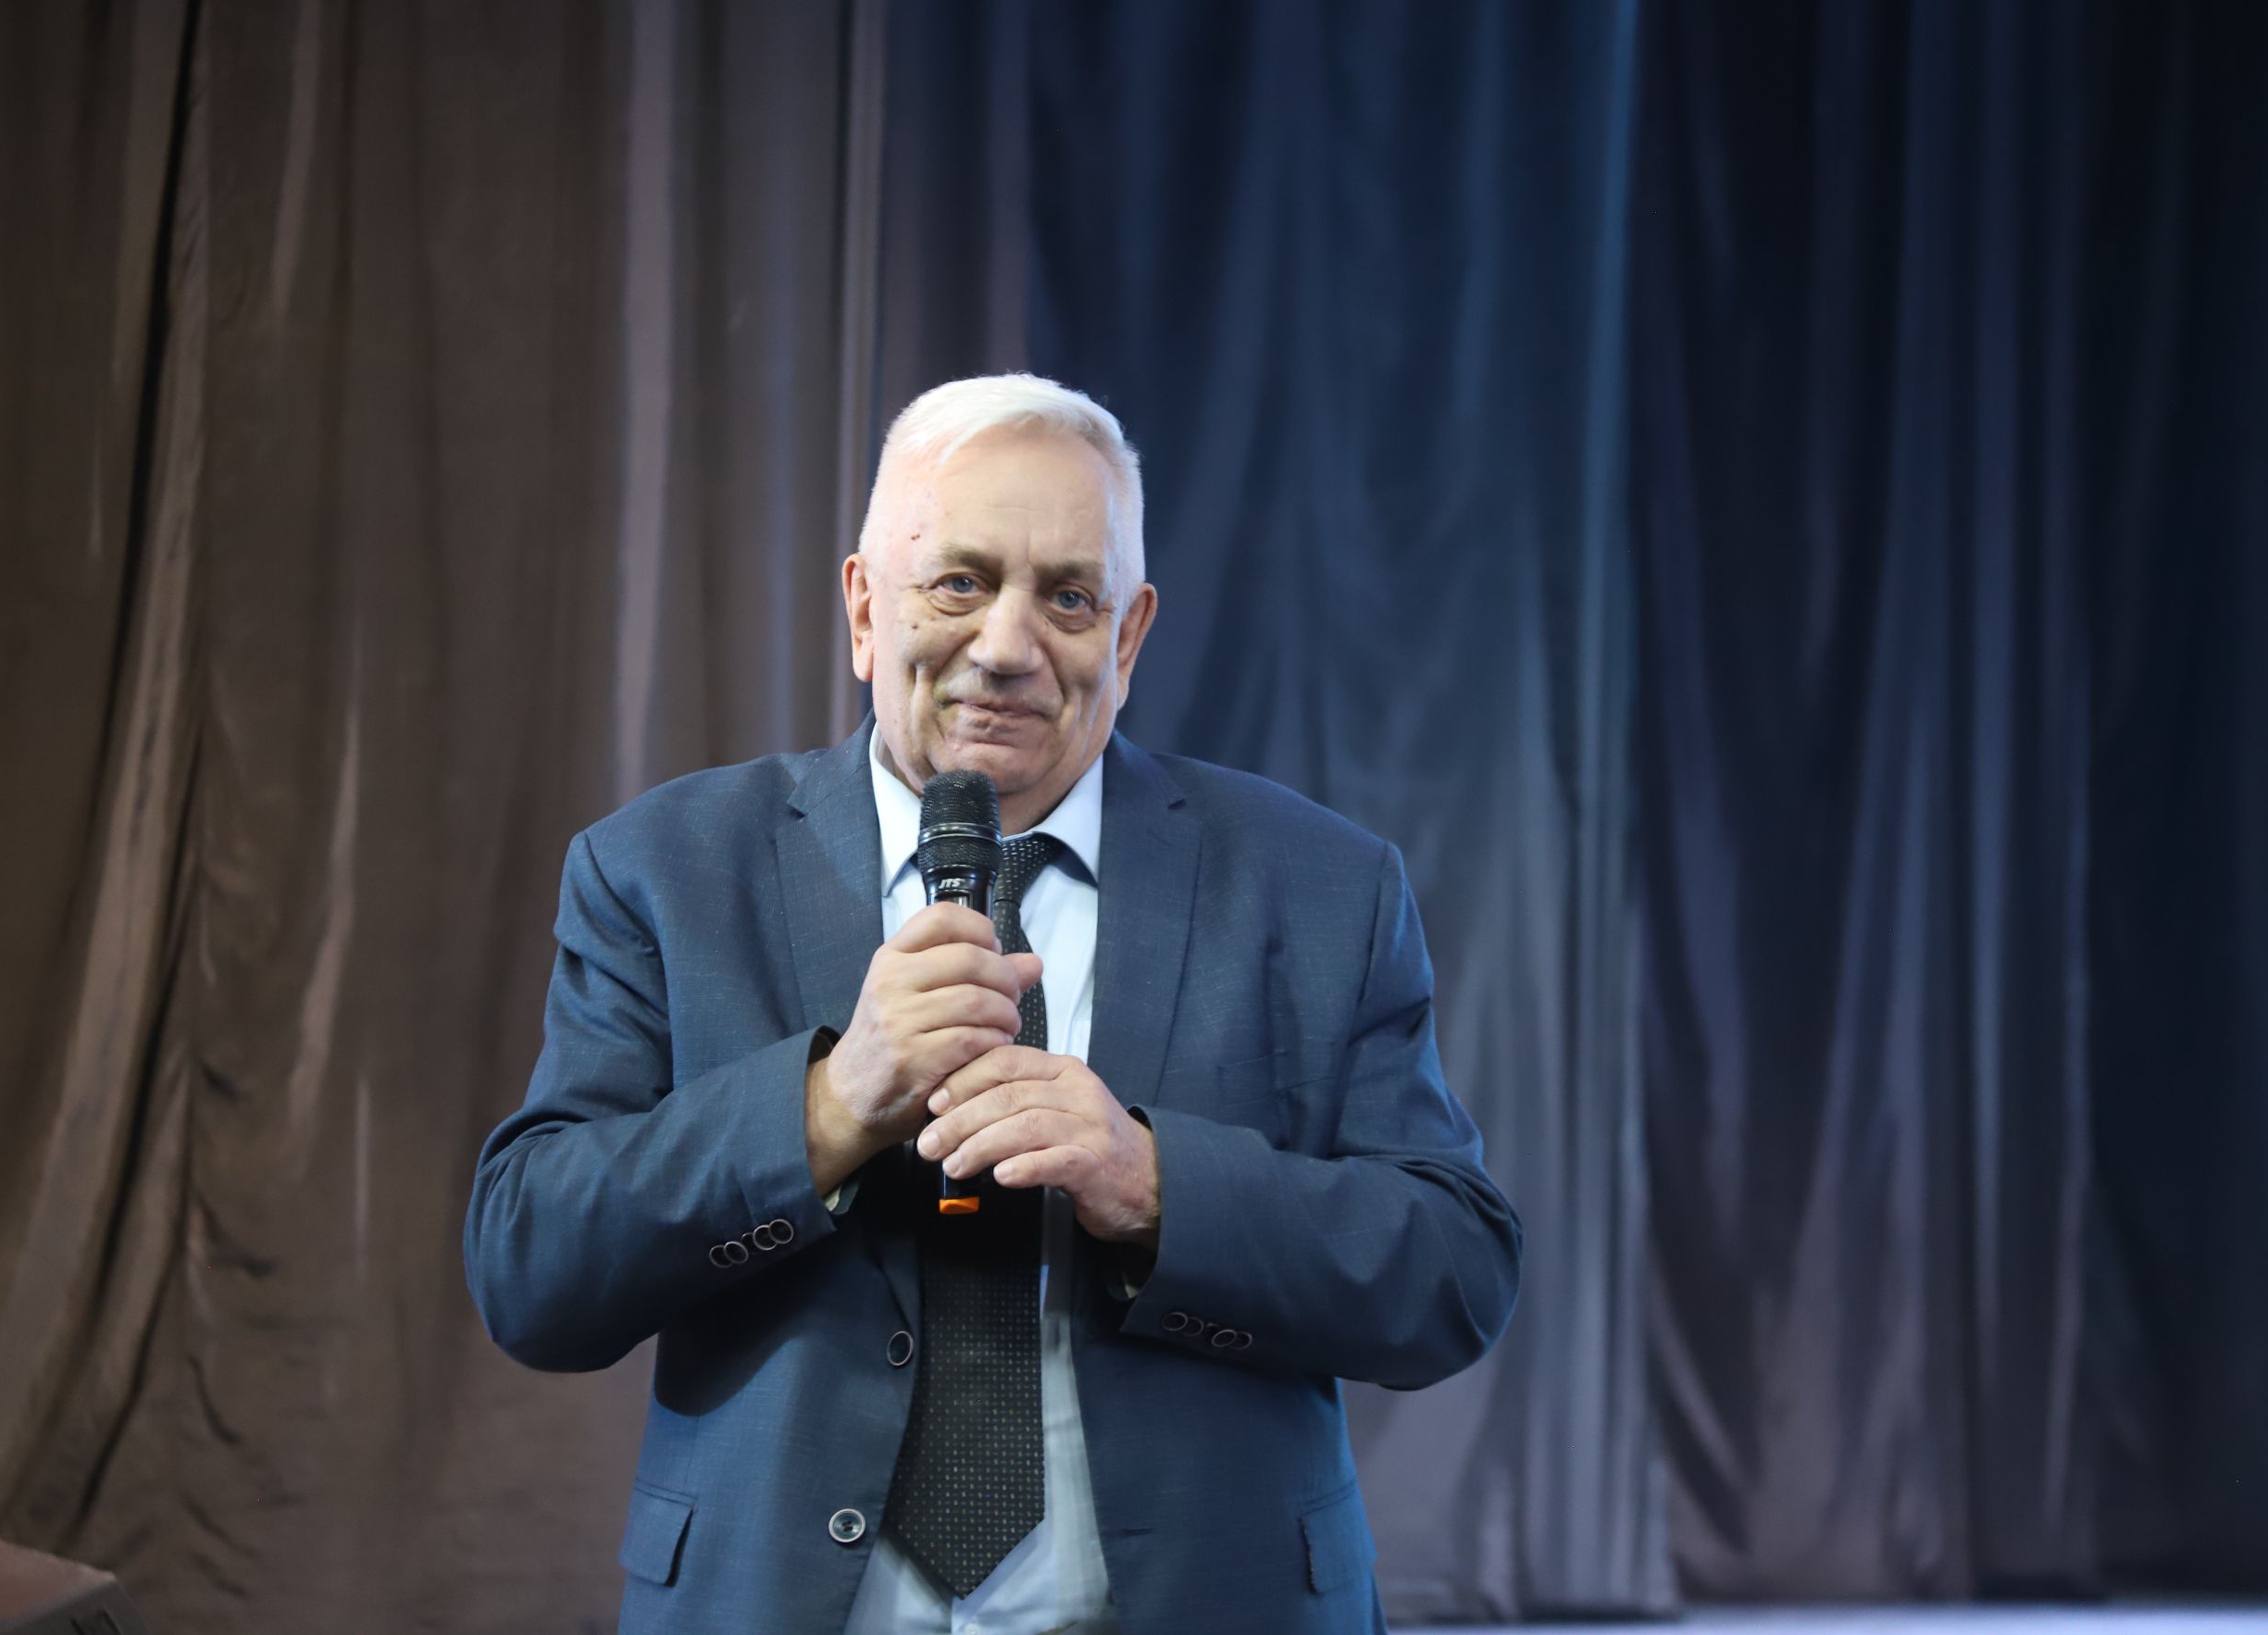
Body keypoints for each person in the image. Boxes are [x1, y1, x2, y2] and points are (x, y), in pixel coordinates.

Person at [464, 374, 1522, 1635]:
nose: (1009, 645)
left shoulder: (1322, 886)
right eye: (959, 582)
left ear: (1128, 637)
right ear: (866, 609)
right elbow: (532, 1270)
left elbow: (1452, 1273)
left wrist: (1154, 1183)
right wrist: (824, 1108)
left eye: (1068, 596)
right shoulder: (663, 870)